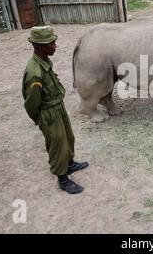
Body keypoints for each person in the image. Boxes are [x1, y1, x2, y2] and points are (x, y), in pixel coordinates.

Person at [22, 25, 88, 194]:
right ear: (42, 47)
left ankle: (70, 163)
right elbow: (31, 103)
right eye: (52, 43)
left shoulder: (43, 61)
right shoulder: (35, 72)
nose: (55, 46)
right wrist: (41, 119)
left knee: (67, 137)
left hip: (57, 106)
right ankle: (63, 178)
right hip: (49, 113)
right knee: (57, 144)